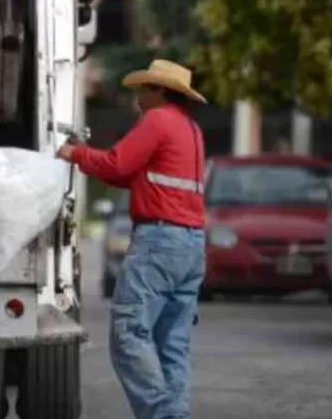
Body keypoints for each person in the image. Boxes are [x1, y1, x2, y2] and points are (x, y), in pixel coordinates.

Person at [56, 59, 207, 419]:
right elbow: (135, 176)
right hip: (191, 246)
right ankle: (175, 413)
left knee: (129, 334)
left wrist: (75, 153)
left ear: (159, 91)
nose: (138, 96)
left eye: (144, 88)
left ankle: (165, 416)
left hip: (159, 242)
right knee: (172, 344)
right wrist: (89, 157)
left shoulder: (156, 121)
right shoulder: (190, 130)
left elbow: (116, 165)